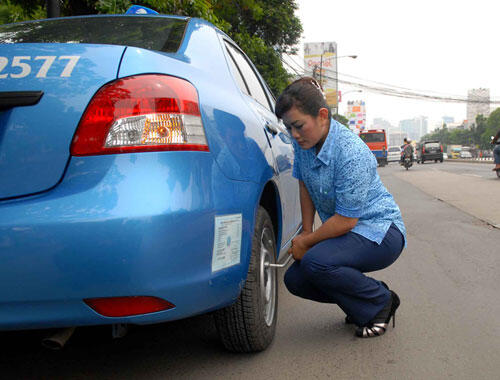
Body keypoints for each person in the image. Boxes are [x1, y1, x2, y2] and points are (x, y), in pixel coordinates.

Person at [274, 77, 406, 338]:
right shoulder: (305, 145)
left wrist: (308, 242)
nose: (294, 134)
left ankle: (380, 300)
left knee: (315, 262)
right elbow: (305, 186)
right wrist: (306, 231)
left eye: (299, 126)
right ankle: (359, 302)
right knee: (295, 280)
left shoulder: (351, 153)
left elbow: (346, 221)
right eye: (289, 128)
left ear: (322, 115)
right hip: (349, 233)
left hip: (381, 232)